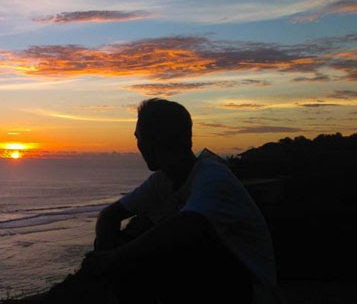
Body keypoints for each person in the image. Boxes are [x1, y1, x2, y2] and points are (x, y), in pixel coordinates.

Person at [85, 98, 281, 304]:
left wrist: (113, 259)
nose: (138, 145)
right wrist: (107, 259)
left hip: (251, 292)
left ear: (154, 141)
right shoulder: (164, 179)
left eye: (139, 137)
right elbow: (109, 215)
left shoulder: (213, 176)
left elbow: (188, 226)